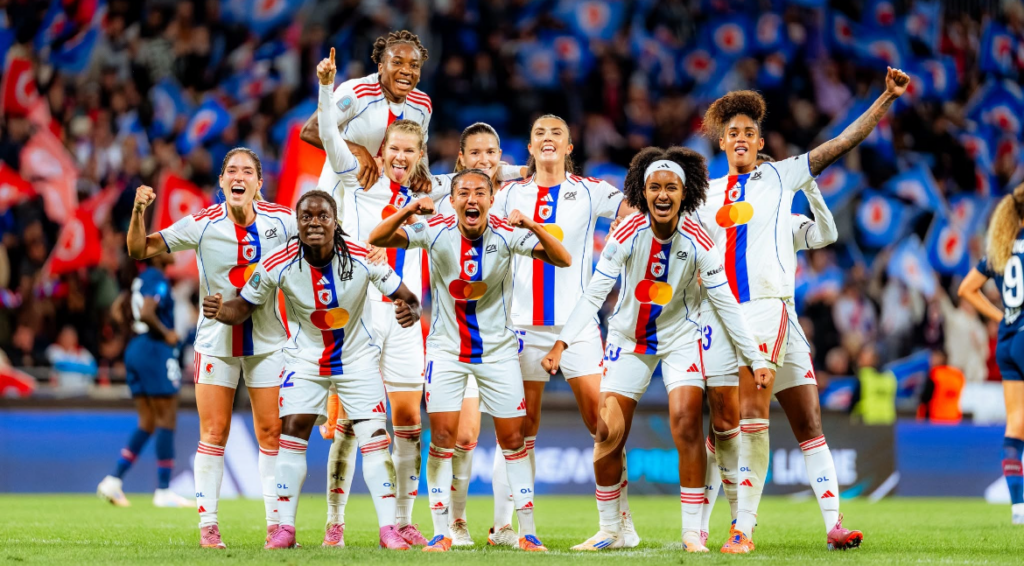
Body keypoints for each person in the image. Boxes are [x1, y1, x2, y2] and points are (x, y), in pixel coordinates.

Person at [694, 68, 909, 552]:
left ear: (760, 141)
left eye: (750, 132)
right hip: (737, 315)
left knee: (807, 423)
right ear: (723, 144)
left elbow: (839, 144)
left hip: (778, 311)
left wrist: (885, 99)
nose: (742, 139)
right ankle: (734, 529)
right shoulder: (704, 194)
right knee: (738, 422)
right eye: (734, 134)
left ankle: (833, 524)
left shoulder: (778, 174)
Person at [541, 147, 769, 552]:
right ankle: (613, 529)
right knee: (607, 430)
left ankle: (691, 533)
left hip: (681, 337)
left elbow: (725, 304)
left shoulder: (699, 240)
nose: (662, 195)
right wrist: (562, 341)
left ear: (685, 194)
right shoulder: (626, 233)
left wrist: (754, 357)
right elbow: (595, 292)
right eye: (655, 188)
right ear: (643, 193)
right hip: (629, 339)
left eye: (671, 188)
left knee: (685, 424)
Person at [202, 190, 422, 549]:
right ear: (297, 224)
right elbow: (242, 307)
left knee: (374, 439)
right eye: (306, 217)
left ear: (336, 222)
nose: (315, 223)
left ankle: (388, 531)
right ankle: (285, 530)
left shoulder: (364, 257)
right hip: (305, 359)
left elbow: (409, 298)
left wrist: (409, 313)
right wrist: (219, 310)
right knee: (292, 433)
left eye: (323, 216)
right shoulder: (277, 262)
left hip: (356, 360)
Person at [368, 168, 572, 552]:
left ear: (492, 200)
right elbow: (377, 238)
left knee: (514, 440)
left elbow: (563, 258)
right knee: (443, 440)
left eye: (480, 192)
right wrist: (411, 207)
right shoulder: (436, 230)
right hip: (447, 351)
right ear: (454, 199)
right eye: (464, 192)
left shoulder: (508, 234)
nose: (472, 199)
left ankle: (527, 532)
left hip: (497, 353)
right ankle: (442, 532)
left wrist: (530, 223)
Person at [127, 148, 296, 548]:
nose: (239, 177)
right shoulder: (202, 223)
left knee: (271, 432)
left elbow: (325, 241)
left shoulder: (284, 220)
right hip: (216, 344)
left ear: (259, 183)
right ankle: (209, 528)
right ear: (222, 182)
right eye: (231, 171)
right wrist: (138, 212)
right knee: (214, 431)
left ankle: (276, 526)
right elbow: (139, 250)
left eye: (248, 171)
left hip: (268, 343)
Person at [699, 153, 861, 550]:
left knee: (809, 423)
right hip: (746, 322)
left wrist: (810, 185)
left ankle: (833, 526)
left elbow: (826, 234)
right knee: (728, 426)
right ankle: (718, 527)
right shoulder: (731, 218)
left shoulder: (786, 224)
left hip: (784, 323)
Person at [489, 114, 637, 547]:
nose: (548, 139)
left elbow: (638, 216)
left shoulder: (591, 192)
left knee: (603, 425)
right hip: (518, 325)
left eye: (557, 133)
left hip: (577, 327)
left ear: (570, 147)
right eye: (539, 134)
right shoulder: (508, 193)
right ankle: (508, 528)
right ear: (530, 149)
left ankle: (620, 524)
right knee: (519, 430)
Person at [314, 47, 437, 547]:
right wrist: (326, 89)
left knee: (408, 420)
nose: (402, 159)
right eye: (395, 152)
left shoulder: (430, 195)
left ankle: (403, 519)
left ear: (419, 155)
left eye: (411, 152)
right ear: (381, 153)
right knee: (351, 425)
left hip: (406, 318)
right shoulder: (356, 184)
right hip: (363, 313)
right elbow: (323, 132)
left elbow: (486, 177)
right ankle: (334, 522)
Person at [426, 121, 522, 546]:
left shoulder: (516, 196)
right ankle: (454, 522)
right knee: (457, 435)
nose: (485, 160)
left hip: (501, 335)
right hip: (450, 337)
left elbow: (538, 166)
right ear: (460, 160)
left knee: (502, 435)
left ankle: (504, 524)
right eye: (476, 153)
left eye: (492, 153)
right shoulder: (444, 199)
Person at [97, 253, 191, 509]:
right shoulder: (156, 278)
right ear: (157, 256)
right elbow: (149, 312)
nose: (173, 250)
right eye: (168, 246)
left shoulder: (141, 278)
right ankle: (163, 490)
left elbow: (125, 311)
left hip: (136, 347)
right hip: (154, 349)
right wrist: (167, 333)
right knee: (167, 417)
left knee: (148, 422)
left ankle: (113, 480)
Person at [957, 183, 1024, 525]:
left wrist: (1002, 316)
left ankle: (1018, 508)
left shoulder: (1000, 248)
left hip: (1009, 340)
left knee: (1016, 424)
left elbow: (965, 289)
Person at [300, 30, 433, 199]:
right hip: (337, 202)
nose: (406, 71)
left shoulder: (422, 104)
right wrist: (358, 150)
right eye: (397, 63)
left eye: (414, 65)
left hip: (381, 207)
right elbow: (311, 130)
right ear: (381, 66)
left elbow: (422, 147)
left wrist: (423, 171)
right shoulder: (356, 93)